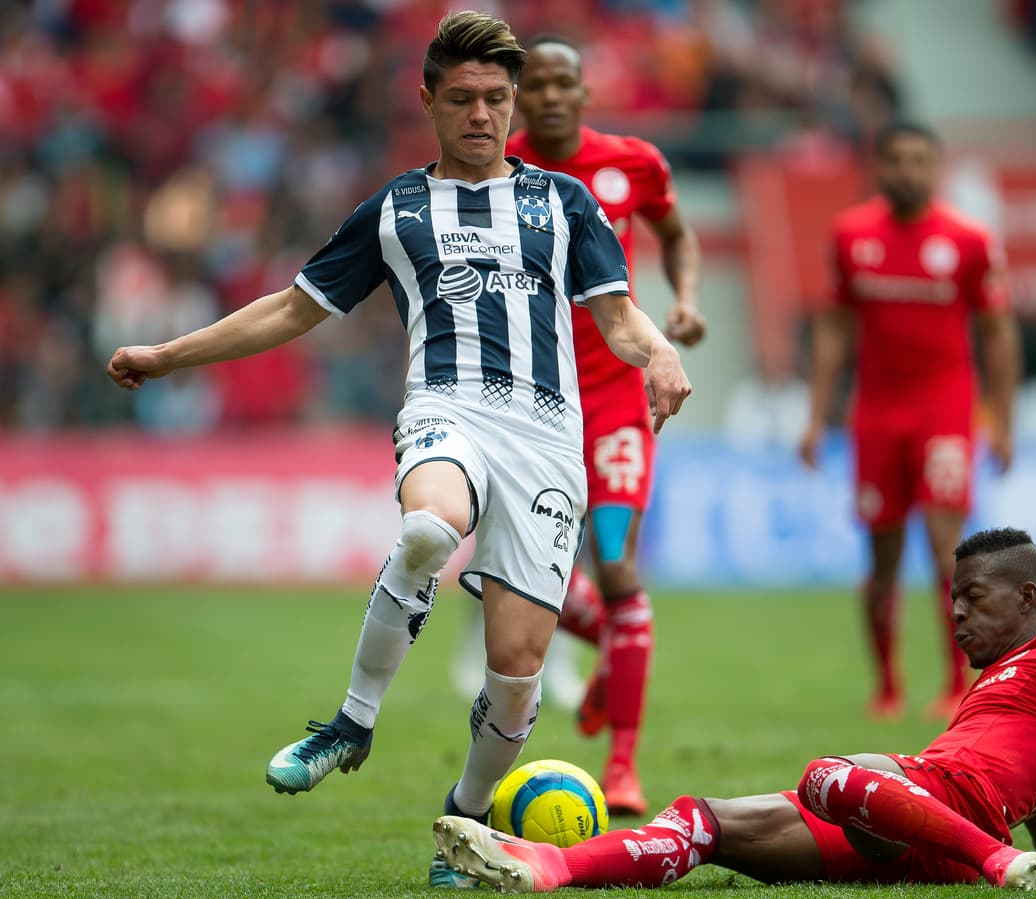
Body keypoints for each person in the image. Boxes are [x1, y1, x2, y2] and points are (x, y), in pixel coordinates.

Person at [105, 10, 692, 889]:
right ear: (428, 100)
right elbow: (291, 307)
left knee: (519, 668)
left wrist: (662, 351)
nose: (483, 115)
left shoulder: (564, 202)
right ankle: (350, 721)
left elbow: (617, 314)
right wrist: (167, 353)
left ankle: (465, 816)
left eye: (498, 98)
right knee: (428, 528)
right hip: (445, 409)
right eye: (463, 98)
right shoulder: (397, 208)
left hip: (546, 438)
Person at [433, 422, 1036, 892]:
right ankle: (550, 866)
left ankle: (998, 864)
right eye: (954, 598)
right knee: (703, 819)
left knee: (826, 776)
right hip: (914, 821)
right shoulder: (1009, 689)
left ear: (1028, 597)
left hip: (939, 810)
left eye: (972, 597)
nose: (955, 611)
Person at [503, 34, 706, 816]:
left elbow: (678, 235)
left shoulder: (635, 163)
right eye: (538, 85)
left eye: (564, 84)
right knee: (499, 572)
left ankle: (623, 764)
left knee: (616, 566)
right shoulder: (496, 166)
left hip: (617, 395)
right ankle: (616, 653)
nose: (551, 97)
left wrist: (683, 297)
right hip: (526, 401)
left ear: (585, 93)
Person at [799, 121, 1022, 720]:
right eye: (896, 160)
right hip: (875, 413)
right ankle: (888, 684)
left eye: (919, 161)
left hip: (945, 409)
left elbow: (998, 333)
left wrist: (1002, 417)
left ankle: (957, 682)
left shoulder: (968, 241)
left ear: (935, 168)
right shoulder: (851, 235)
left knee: (950, 549)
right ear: (879, 166)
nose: (907, 171)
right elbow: (834, 327)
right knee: (881, 557)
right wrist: (816, 416)